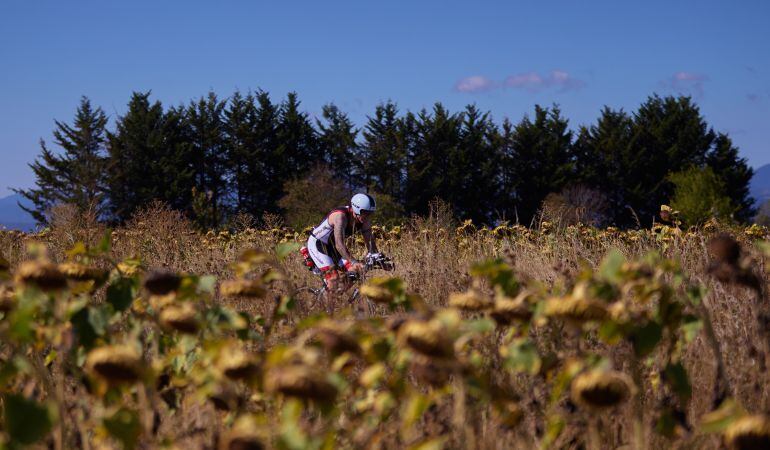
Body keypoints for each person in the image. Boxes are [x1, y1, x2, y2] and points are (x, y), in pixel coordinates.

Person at [305, 193, 382, 293]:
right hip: (318, 244)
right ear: (357, 209)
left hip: (333, 248)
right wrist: (354, 261)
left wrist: (380, 260)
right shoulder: (340, 217)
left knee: (357, 271)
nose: (367, 216)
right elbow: (339, 245)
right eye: (365, 213)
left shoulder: (363, 219)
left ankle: (335, 295)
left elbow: (371, 245)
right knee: (334, 278)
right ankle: (326, 305)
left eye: (370, 213)